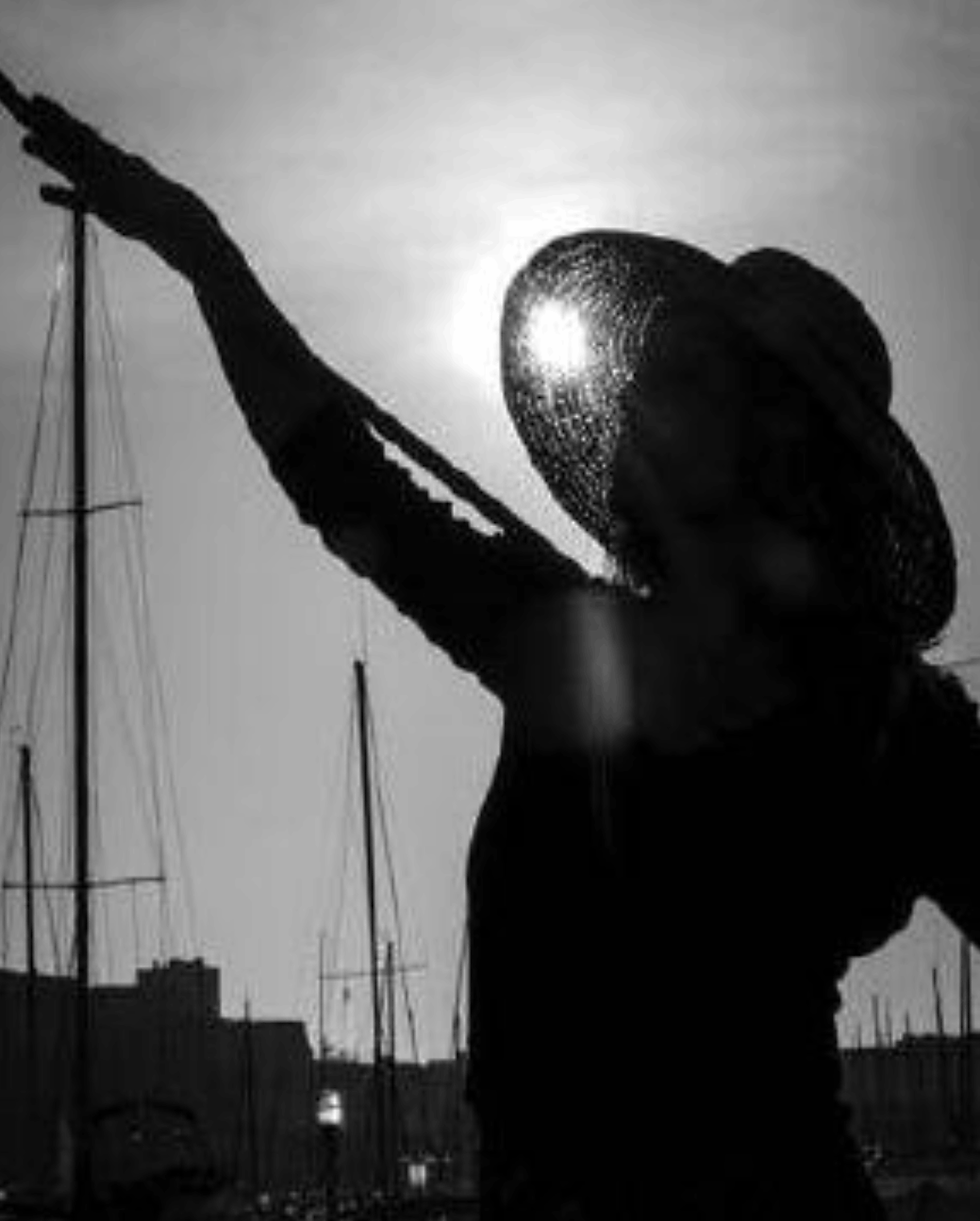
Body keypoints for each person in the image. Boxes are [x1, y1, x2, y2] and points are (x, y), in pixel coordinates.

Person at [6, 80, 980, 1221]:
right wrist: (200, 250)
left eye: (687, 373)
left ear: (784, 437)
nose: (642, 401)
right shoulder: (560, 642)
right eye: (650, 370)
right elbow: (337, 476)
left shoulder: (893, 728)